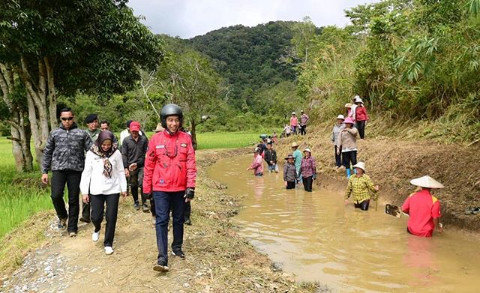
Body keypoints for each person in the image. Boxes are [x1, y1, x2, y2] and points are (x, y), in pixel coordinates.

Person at [143, 103, 197, 272]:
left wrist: (191, 187)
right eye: (170, 120)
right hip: (160, 188)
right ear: (164, 121)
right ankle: (162, 257)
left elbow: (191, 164)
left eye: (176, 120)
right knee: (161, 220)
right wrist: (146, 189)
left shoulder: (186, 139)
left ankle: (177, 247)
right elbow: (149, 165)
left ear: (180, 121)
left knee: (179, 219)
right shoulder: (155, 140)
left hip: (180, 188)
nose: (173, 124)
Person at [41, 108, 92, 237]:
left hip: (76, 170)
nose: (67, 121)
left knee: (73, 198)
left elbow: (92, 151)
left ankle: (72, 227)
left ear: (73, 118)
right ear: (60, 119)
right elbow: (47, 152)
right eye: (64, 119)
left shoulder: (82, 134)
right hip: (58, 169)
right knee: (56, 195)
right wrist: (44, 171)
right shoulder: (55, 133)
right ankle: (63, 216)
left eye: (69, 118)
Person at [80, 131, 127, 255]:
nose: (106, 147)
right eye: (104, 144)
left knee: (111, 217)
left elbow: (121, 171)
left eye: (109, 144)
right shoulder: (91, 154)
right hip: (96, 189)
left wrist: (124, 188)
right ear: (99, 143)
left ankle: (108, 243)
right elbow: (86, 173)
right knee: (96, 216)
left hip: (113, 189)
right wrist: (85, 191)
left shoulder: (116, 153)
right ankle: (97, 228)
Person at [122, 121, 149, 212]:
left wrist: (138, 163)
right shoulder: (126, 140)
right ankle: (136, 201)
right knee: (133, 184)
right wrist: (125, 167)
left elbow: (146, 154)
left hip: (142, 165)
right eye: (133, 131)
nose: (134, 133)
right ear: (130, 130)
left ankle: (144, 202)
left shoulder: (144, 140)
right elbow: (124, 154)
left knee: (142, 183)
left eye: (136, 131)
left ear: (139, 130)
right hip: (131, 166)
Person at [81, 113, 101, 223]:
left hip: (98, 164)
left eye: (95, 122)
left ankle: (97, 212)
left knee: (97, 188)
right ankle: (85, 214)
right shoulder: (83, 134)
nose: (93, 124)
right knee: (85, 187)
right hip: (86, 164)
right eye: (91, 122)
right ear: (87, 124)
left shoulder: (102, 134)